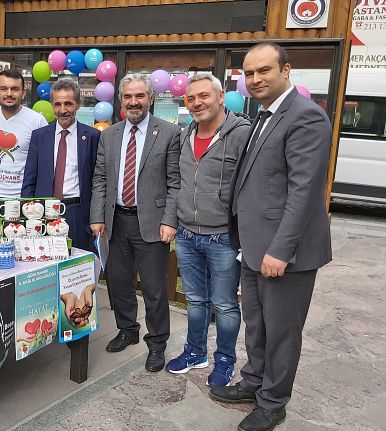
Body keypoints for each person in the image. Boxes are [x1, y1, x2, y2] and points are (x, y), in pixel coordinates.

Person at [209, 43, 332, 431]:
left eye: (264, 70)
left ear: (286, 70)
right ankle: (254, 382)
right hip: (254, 247)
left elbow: (304, 192)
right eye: (248, 73)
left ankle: (274, 403)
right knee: (258, 325)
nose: (255, 79)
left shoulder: (305, 117)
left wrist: (280, 250)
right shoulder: (263, 115)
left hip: (285, 253)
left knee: (281, 332)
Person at [89, 73, 180, 372]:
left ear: (151, 98)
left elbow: (175, 182)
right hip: (116, 222)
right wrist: (97, 217)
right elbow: (100, 178)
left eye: (139, 96)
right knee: (118, 283)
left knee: (154, 289)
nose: (133, 102)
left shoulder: (168, 133)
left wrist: (169, 220)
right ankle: (128, 330)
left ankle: (157, 344)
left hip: (153, 225)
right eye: (128, 96)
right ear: (120, 100)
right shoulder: (110, 134)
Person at [164, 73, 250, 387]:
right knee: (196, 300)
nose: (197, 103)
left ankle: (225, 361)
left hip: (223, 237)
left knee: (225, 304)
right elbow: (179, 184)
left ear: (220, 96)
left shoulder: (242, 134)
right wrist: (172, 221)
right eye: (191, 98)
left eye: (204, 96)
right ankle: (195, 352)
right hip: (187, 234)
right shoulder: (185, 134)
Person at [21, 79, 100, 250]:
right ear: (52, 105)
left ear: (78, 104)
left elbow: (98, 181)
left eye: (68, 104)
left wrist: (95, 218)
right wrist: (27, 215)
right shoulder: (39, 136)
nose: (63, 110)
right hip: (42, 212)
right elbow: (29, 178)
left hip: (77, 213)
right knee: (44, 265)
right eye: (57, 104)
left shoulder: (92, 136)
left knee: (75, 268)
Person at [0, 69, 49, 223]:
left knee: (22, 243)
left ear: (23, 93)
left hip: (23, 197)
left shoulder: (37, 121)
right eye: (3, 89)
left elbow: (44, 161)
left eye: (15, 89)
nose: (9, 93)